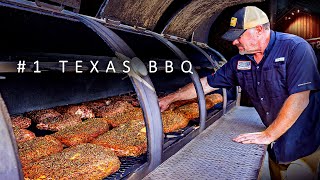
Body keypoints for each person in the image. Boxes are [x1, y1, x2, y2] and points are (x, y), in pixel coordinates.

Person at [159, 6, 320, 179]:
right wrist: (170, 98)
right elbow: (207, 84)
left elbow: (300, 98)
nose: (234, 42)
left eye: (238, 37)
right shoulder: (239, 62)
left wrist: (268, 135)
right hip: (275, 145)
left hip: (303, 143)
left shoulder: (295, 48)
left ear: (258, 30)